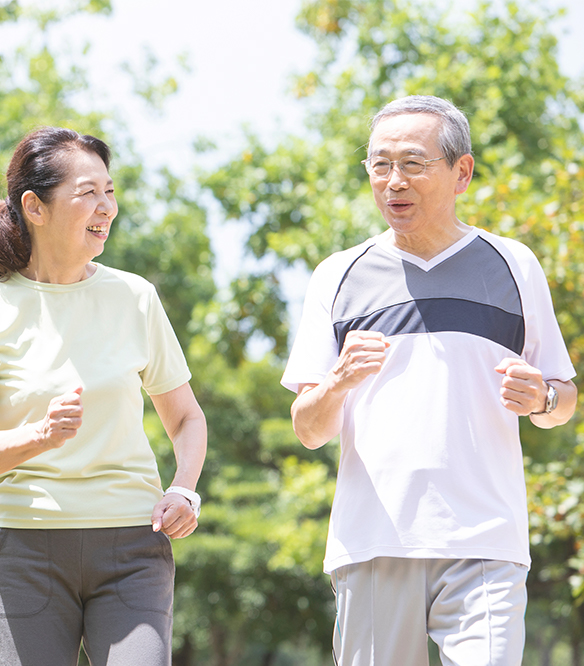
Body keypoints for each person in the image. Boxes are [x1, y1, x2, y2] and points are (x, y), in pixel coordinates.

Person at [281, 96, 577, 666]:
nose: (393, 181)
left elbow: (563, 398)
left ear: (461, 172)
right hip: (373, 541)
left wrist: (540, 396)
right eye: (379, 165)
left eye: (413, 164)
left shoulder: (514, 265)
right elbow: (308, 428)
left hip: (487, 541)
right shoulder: (337, 276)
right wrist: (337, 381)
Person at [0, 126, 207, 666]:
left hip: (132, 544)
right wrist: (41, 434)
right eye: (88, 193)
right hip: (25, 548)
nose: (106, 207)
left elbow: (184, 418)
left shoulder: (135, 296)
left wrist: (184, 490)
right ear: (35, 207)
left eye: (109, 191)